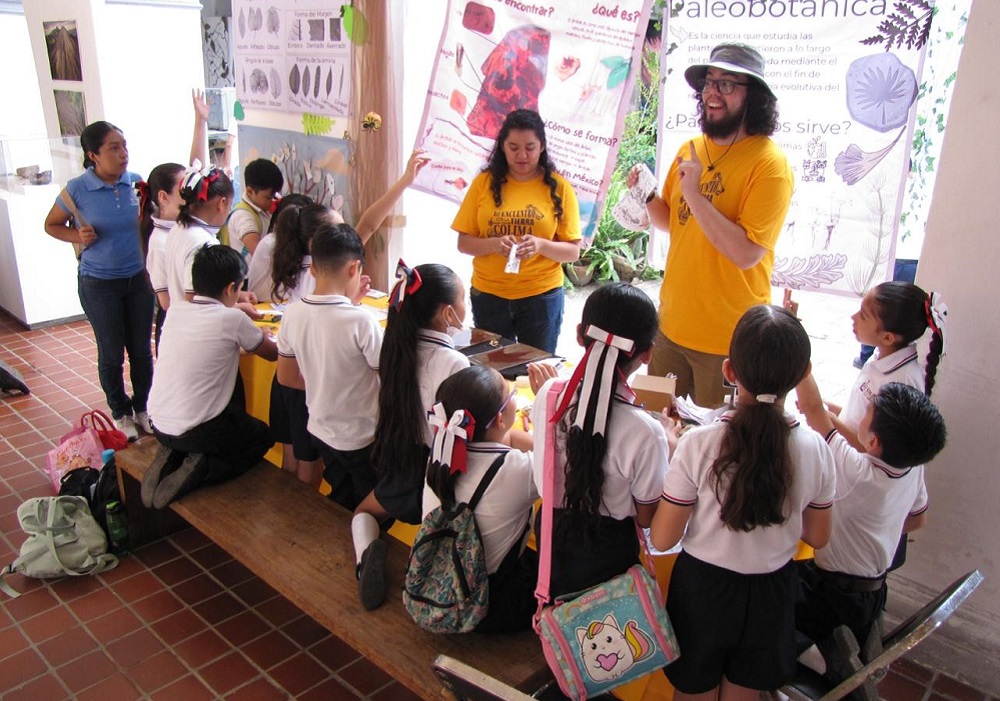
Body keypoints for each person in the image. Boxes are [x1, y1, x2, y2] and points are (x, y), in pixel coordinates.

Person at [649, 305, 835, 700]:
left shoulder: (699, 443)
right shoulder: (816, 448)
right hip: (772, 594)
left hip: (703, 592)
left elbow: (663, 539)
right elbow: (818, 535)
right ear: (804, 373)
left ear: (729, 370)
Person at [629, 43, 793, 406]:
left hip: (728, 344)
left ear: (756, 96)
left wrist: (695, 194)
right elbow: (674, 222)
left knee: (716, 451)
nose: (712, 93)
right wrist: (646, 194)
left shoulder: (770, 164)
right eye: (709, 82)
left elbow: (746, 253)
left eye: (727, 84)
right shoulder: (691, 148)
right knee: (659, 429)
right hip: (670, 329)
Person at [794, 376, 946, 681]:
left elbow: (812, 411)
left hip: (832, 598)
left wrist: (802, 365)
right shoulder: (911, 470)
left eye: (867, 413)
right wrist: (876, 528)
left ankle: (811, 652)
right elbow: (917, 519)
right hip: (871, 595)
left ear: (873, 442)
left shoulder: (858, 473)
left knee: (759, 592)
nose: (860, 416)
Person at [531, 282, 667, 597]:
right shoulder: (646, 431)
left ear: (580, 334)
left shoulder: (549, 397)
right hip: (609, 550)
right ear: (647, 353)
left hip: (551, 533)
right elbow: (646, 516)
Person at [352, 262, 470, 610]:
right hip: (442, 479)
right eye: (463, 300)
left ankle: (364, 558)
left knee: (363, 512)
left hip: (404, 467)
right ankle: (430, 564)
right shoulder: (452, 362)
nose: (467, 307)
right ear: (448, 313)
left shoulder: (395, 348)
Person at [43, 121, 154, 441]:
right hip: (99, 283)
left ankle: (143, 408)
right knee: (111, 353)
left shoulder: (136, 184)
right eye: (113, 148)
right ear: (93, 154)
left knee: (141, 350)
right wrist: (76, 235)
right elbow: (51, 224)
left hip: (139, 280)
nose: (123, 154)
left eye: (124, 145)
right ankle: (120, 412)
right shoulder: (77, 189)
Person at [144, 245, 276, 509]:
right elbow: (272, 354)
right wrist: (265, 335)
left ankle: (176, 453)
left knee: (223, 420)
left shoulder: (177, 310)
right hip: (199, 430)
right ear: (230, 289)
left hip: (158, 423)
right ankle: (204, 468)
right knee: (262, 437)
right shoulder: (230, 319)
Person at [453, 109, 582, 354]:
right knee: (491, 373)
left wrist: (541, 245)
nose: (522, 155)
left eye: (530, 147)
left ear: (542, 146)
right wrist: (493, 244)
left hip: (541, 297)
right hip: (489, 295)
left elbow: (573, 252)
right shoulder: (484, 183)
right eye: (513, 147)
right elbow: (463, 243)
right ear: (502, 146)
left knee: (536, 371)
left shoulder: (560, 187)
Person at [424, 365, 539, 632]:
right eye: (512, 396)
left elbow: (505, 437)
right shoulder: (516, 470)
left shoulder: (443, 451)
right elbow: (560, 456)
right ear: (500, 419)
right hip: (487, 605)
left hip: (438, 580)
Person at [276, 222, 377, 512]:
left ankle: (338, 545)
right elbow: (388, 375)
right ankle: (362, 547)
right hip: (361, 435)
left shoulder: (293, 314)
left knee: (342, 495)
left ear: (314, 269)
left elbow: (287, 377)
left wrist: (324, 381)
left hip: (321, 429)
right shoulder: (361, 320)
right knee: (373, 503)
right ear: (354, 269)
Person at [829, 281, 946, 451]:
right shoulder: (882, 354)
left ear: (888, 338)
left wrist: (827, 420)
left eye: (863, 316)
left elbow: (874, 453)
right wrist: (837, 414)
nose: (853, 317)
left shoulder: (902, 384)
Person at [140, 162, 185, 353]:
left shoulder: (184, 229)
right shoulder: (159, 242)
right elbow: (166, 301)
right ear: (163, 197)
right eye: (184, 190)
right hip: (175, 326)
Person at [220, 158, 284, 263]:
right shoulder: (244, 217)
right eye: (268, 197)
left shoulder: (260, 206)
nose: (273, 200)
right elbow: (259, 253)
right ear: (250, 191)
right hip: (248, 277)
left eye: (275, 195)